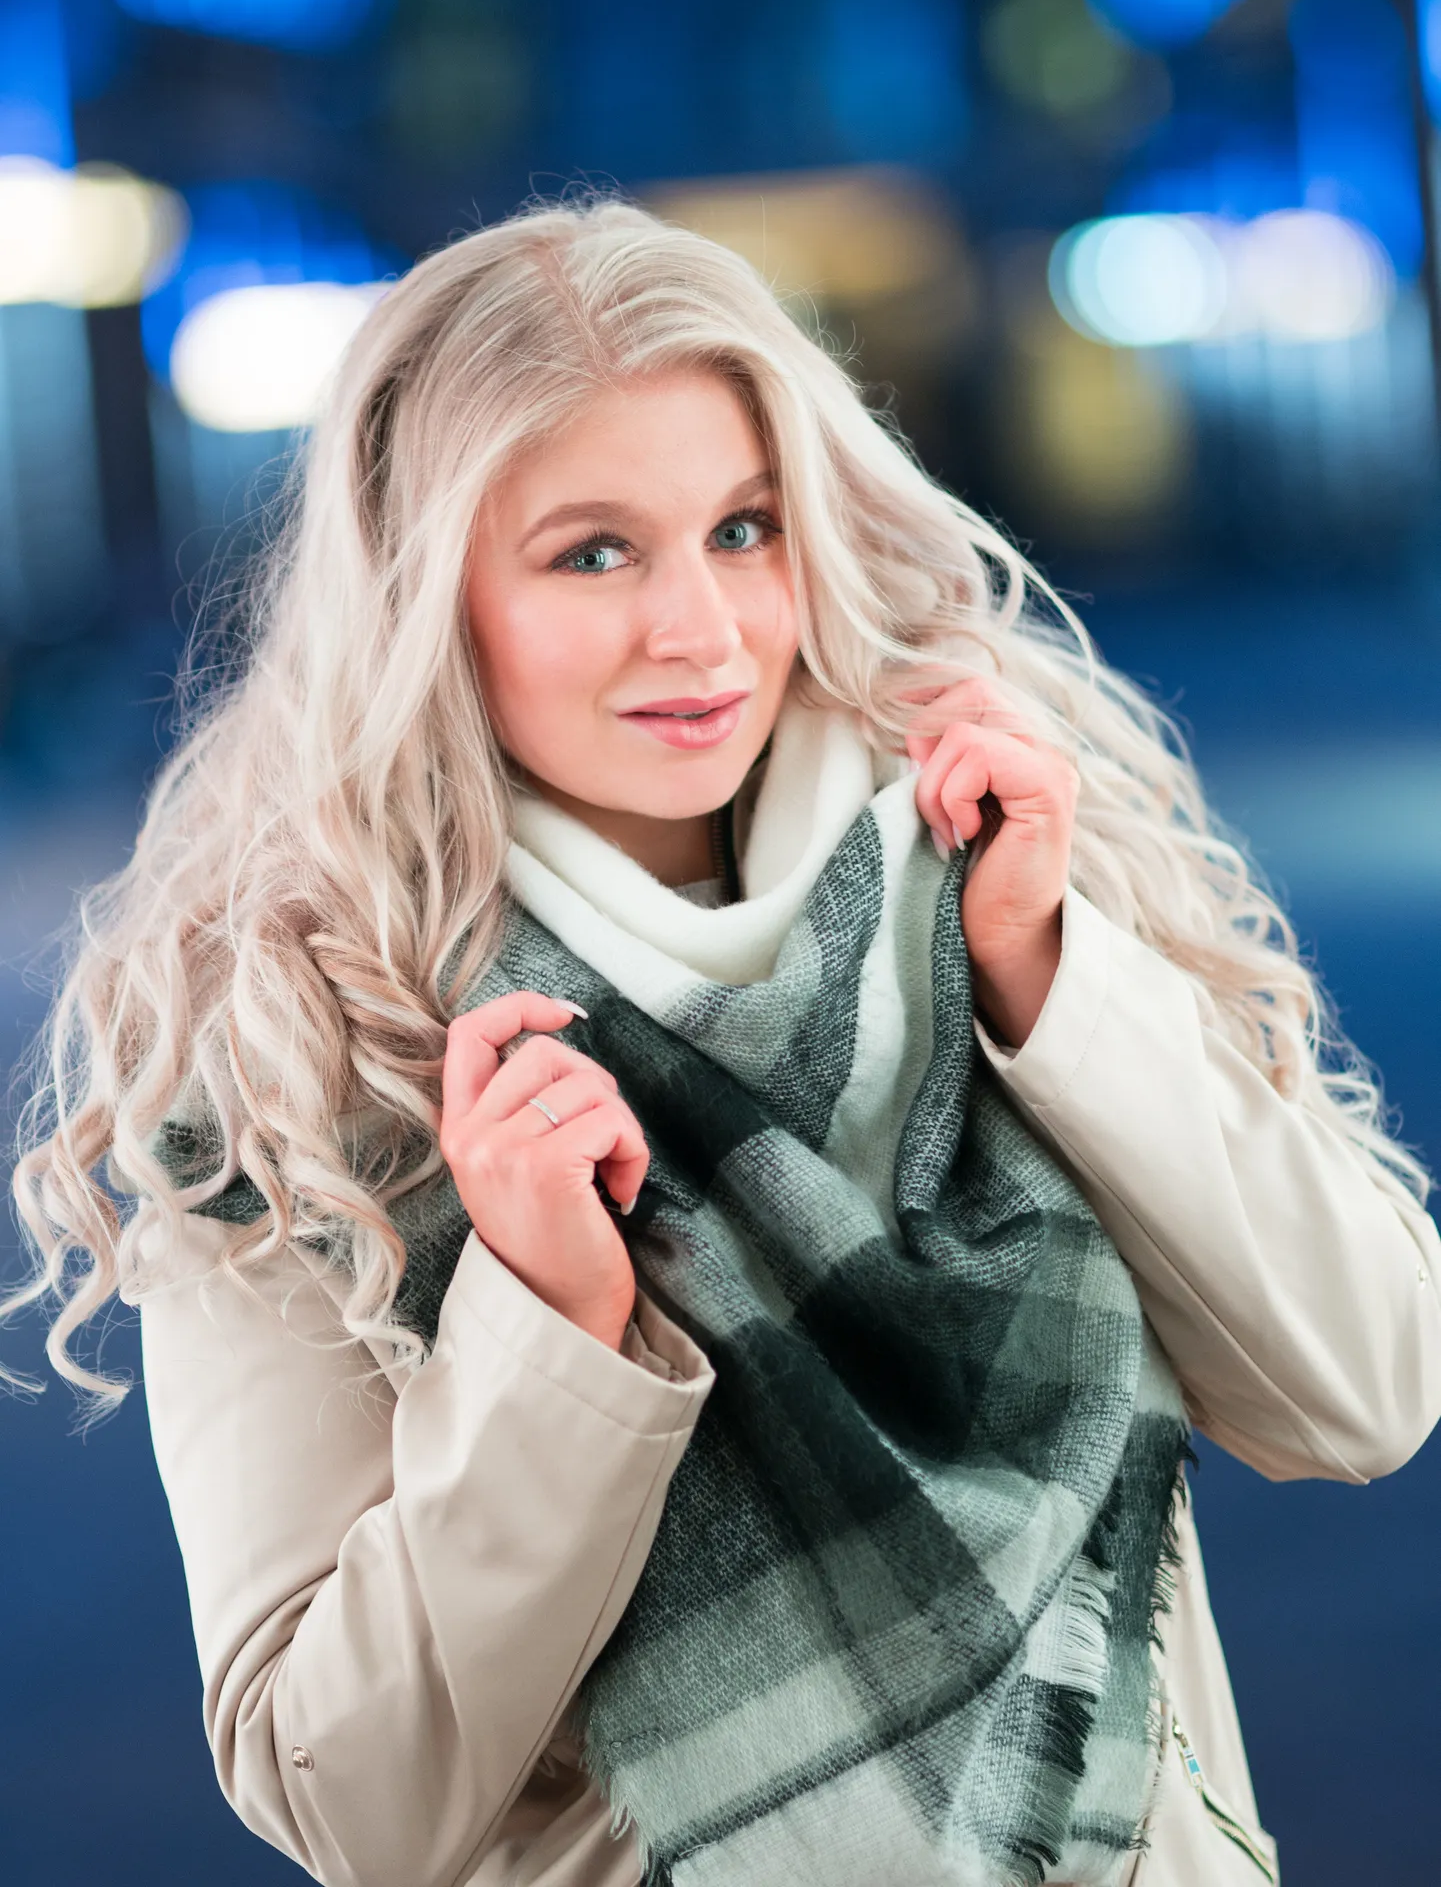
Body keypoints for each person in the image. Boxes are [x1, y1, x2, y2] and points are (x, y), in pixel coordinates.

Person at [9, 198, 1441, 1887]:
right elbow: (348, 1807)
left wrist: (1045, 979)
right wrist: (550, 1331)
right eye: (593, 553)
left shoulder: (983, 866)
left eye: (744, 529)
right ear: (424, 598)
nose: (699, 628)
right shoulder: (295, 1071)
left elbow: (1367, 1389)